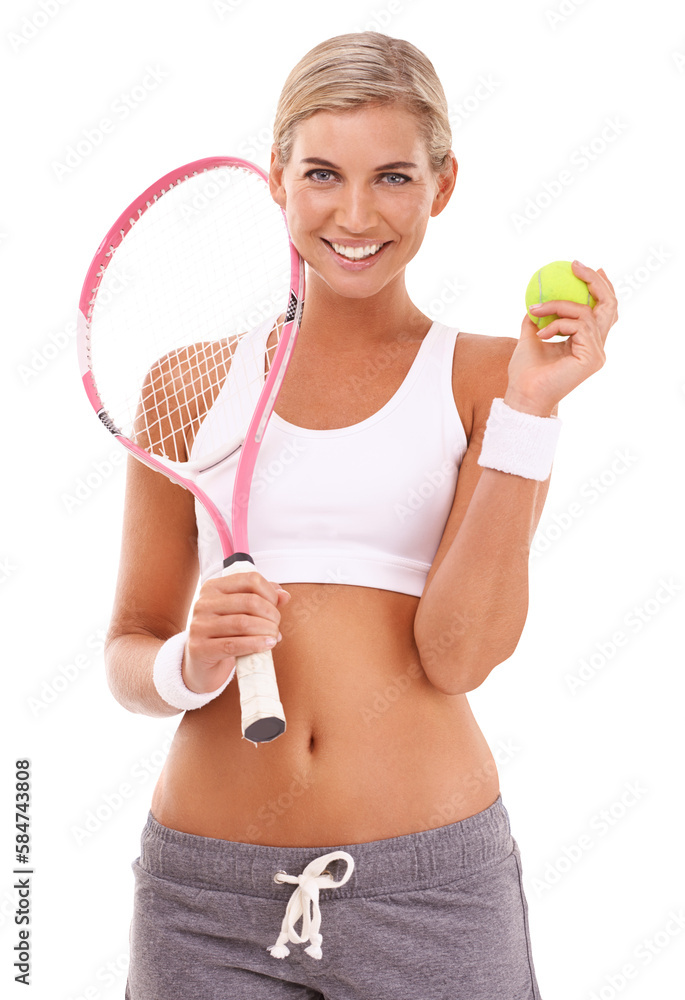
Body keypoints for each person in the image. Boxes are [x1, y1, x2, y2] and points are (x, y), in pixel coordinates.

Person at [112, 31, 617, 1000]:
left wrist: (531, 410)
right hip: (204, 897)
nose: (354, 213)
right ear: (275, 179)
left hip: (427, 892)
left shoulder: (488, 378)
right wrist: (189, 660)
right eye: (321, 174)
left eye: (392, 176)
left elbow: (459, 654)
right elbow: (130, 653)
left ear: (443, 183)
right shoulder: (187, 382)